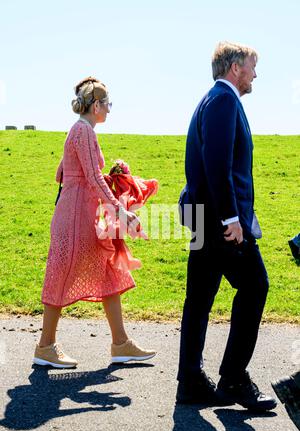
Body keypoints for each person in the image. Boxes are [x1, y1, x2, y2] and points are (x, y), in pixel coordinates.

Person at [176, 42, 277, 411]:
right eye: (252, 66)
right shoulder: (224, 101)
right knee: (255, 286)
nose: (255, 74)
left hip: (206, 218)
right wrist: (232, 219)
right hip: (221, 222)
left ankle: (190, 382)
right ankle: (232, 379)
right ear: (235, 68)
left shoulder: (211, 100)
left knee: (199, 300)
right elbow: (217, 163)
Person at [34, 77, 156, 368]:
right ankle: (45, 347)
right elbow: (91, 177)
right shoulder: (83, 131)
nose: (109, 111)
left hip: (80, 214)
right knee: (60, 276)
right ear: (96, 104)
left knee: (108, 274)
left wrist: (111, 179)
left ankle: (121, 344)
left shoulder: (77, 131)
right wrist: (120, 211)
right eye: (107, 104)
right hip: (76, 219)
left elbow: (63, 174)